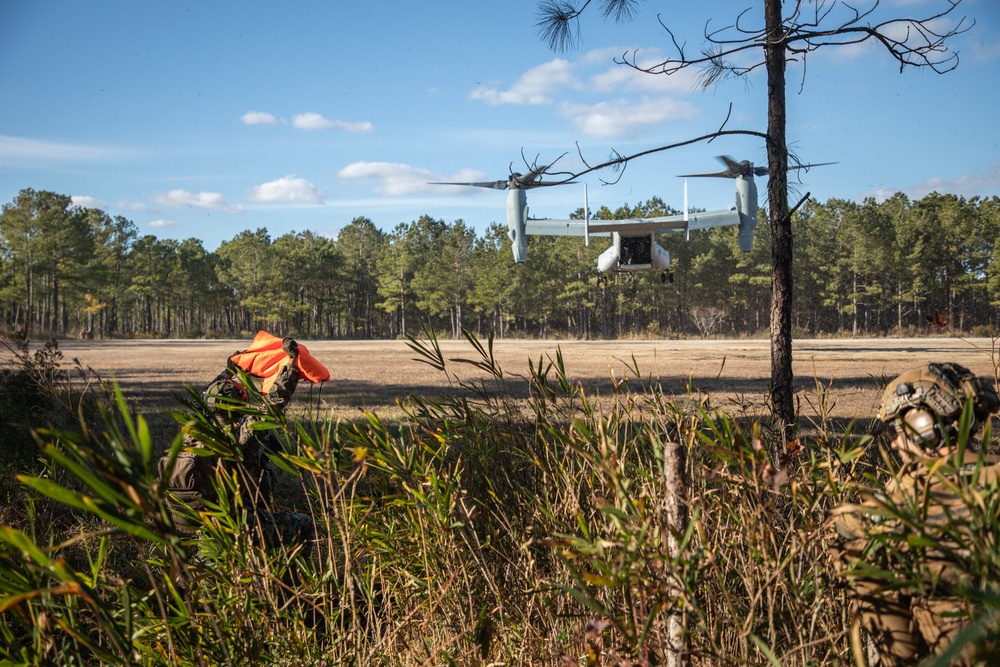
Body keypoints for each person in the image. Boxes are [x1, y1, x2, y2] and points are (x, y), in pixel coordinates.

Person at [830, 362, 1000, 665]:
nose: (895, 442)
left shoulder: (893, 502)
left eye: (899, 429)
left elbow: (895, 641)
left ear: (923, 423)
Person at [159, 336, 315, 557]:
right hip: (237, 529)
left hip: (198, 531)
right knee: (304, 525)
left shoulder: (190, 433)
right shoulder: (239, 435)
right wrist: (291, 366)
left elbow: (203, 399)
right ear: (238, 405)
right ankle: (292, 584)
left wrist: (228, 372)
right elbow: (273, 406)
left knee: (205, 582)